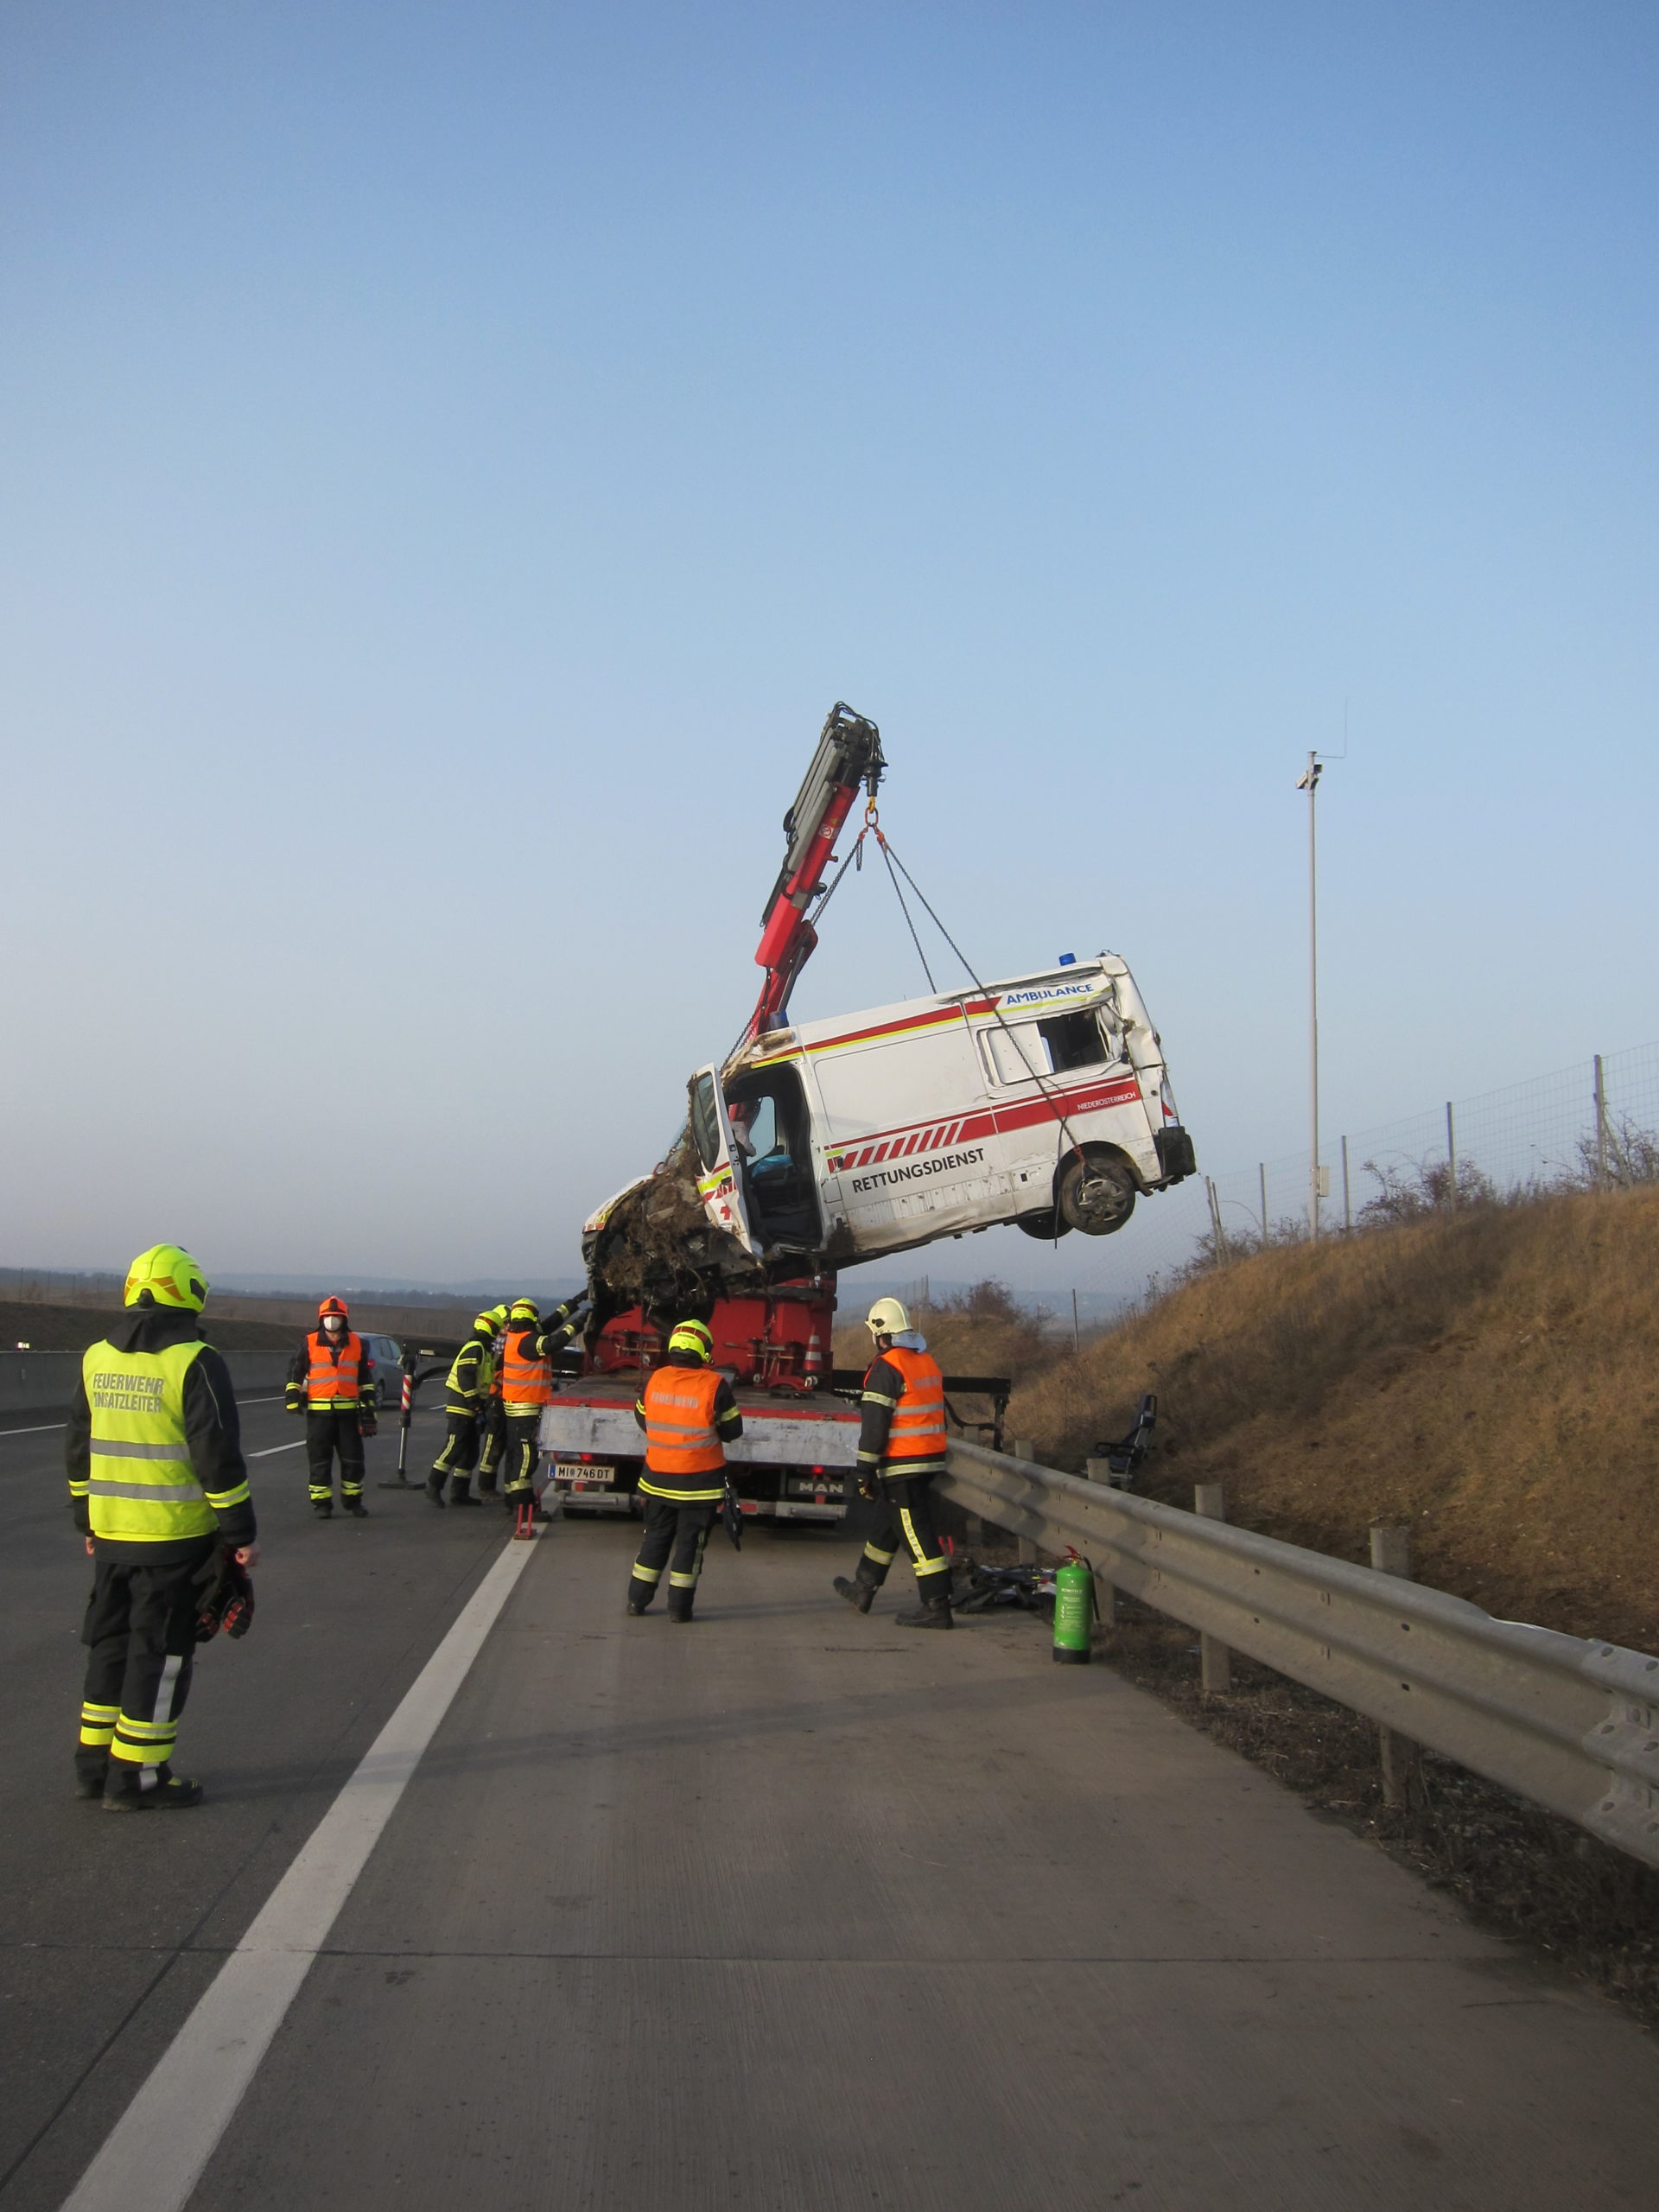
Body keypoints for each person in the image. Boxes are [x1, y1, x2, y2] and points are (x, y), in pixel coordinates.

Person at [65, 1244, 259, 1810]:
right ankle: (138, 1778)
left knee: (111, 1647)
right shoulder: (195, 1361)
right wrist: (240, 1534)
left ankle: (95, 1768)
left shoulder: (97, 1358)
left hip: (113, 1537)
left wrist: (88, 1519)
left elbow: (78, 1449)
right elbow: (216, 1457)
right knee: (161, 1657)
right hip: (173, 1541)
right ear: (192, 1295)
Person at [833, 1296, 954, 1628]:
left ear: (880, 1334)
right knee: (886, 1525)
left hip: (903, 1463)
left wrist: (863, 1471)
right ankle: (863, 1588)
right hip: (928, 1459)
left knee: (916, 1534)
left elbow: (874, 1426)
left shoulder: (886, 1368)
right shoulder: (925, 1361)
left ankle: (937, 1605)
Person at [626, 1319, 742, 1623]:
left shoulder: (656, 1379)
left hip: (657, 1480)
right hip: (699, 1485)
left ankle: (637, 1601)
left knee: (655, 1538)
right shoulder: (715, 1385)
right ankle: (679, 1609)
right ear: (704, 1351)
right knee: (690, 1545)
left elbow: (641, 1417)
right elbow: (733, 1430)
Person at [284, 1296, 378, 1518]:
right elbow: (295, 1372)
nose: (332, 1320)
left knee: (353, 1459)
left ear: (344, 1319)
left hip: (348, 1415)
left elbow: (365, 1380)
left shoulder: (357, 1343)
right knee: (319, 1460)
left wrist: (368, 1411)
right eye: (328, 1316)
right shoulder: (309, 1343)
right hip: (319, 1415)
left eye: (336, 1316)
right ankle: (322, 1504)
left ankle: (353, 1501)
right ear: (321, 1319)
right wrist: (292, 1397)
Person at [497, 1293, 588, 1514]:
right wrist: (579, 1323)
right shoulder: (528, 1342)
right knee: (525, 1458)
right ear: (531, 1317)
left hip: (517, 1406)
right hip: (525, 1407)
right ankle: (522, 1507)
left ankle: (514, 1501)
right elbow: (554, 1342)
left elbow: (552, 1322)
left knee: (515, 1455)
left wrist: (575, 1302)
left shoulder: (518, 1336)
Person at [426, 1308, 503, 1508]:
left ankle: (459, 1493)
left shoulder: (485, 1350)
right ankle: (433, 1485)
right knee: (455, 1446)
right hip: (462, 1406)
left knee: (470, 1452)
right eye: (497, 1328)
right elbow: (465, 1375)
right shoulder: (475, 1348)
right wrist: (474, 1402)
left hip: (473, 1407)